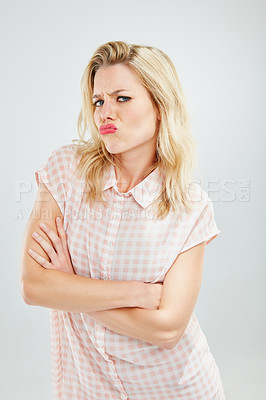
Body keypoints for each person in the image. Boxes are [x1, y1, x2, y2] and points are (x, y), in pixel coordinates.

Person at [20, 40, 226, 399]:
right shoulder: (64, 171)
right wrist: (137, 294)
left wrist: (71, 287)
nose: (104, 113)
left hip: (176, 388)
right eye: (99, 101)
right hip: (88, 390)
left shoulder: (191, 206)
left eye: (122, 98)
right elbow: (35, 287)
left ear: (160, 106)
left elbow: (167, 329)